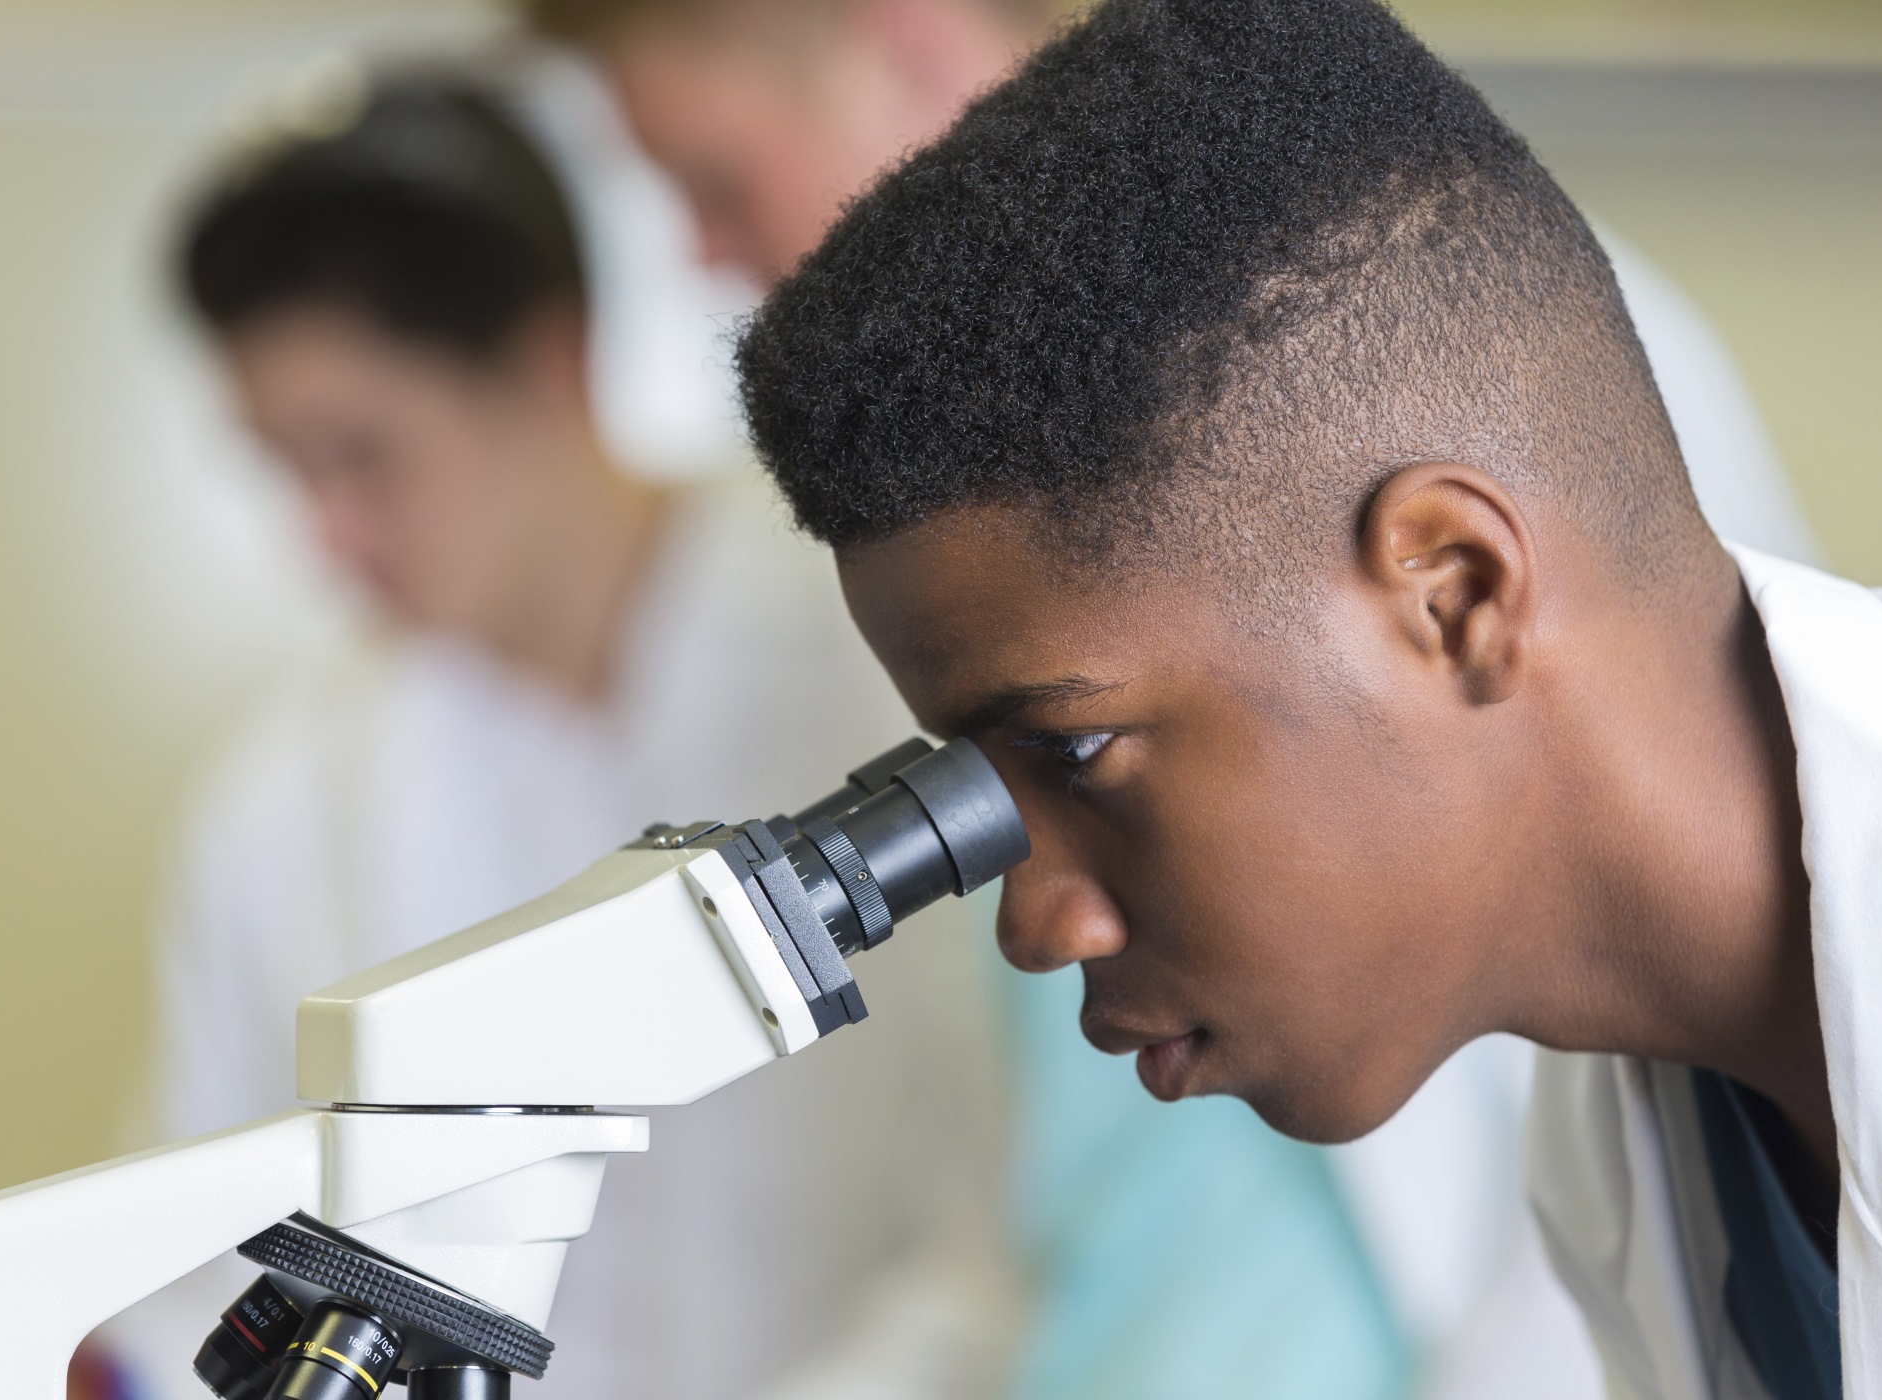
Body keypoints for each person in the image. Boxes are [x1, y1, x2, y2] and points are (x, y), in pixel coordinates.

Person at [525, 0, 1817, 1395]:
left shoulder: (1367, 344)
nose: (1037, 922)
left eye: (714, 178)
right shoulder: (1636, 1150)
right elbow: (1030, 1227)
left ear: (1453, 590)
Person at [117, 73, 1016, 1400]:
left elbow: (1002, 1237)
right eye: (284, 467)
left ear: (552, 360)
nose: (324, 539)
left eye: (362, 454)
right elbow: (196, 1263)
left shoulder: (885, 663)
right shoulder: (282, 804)